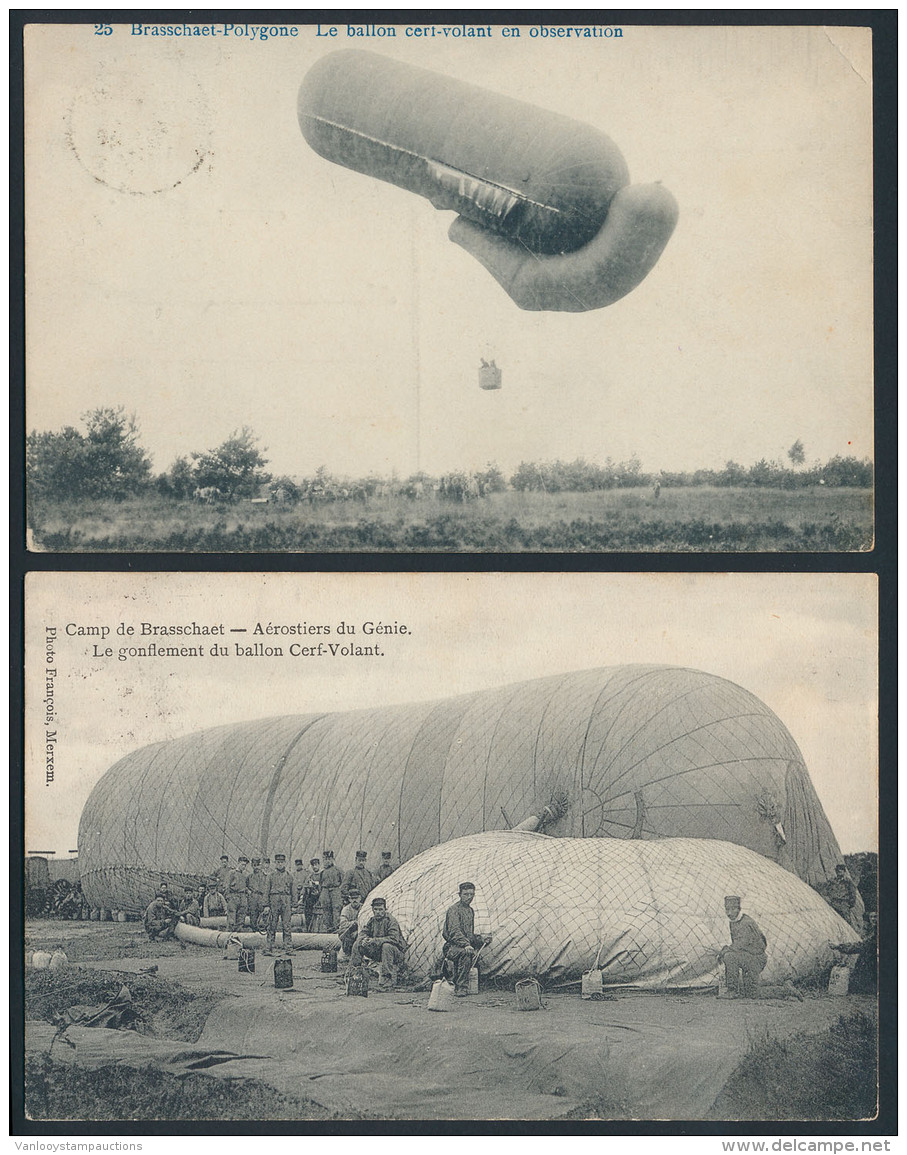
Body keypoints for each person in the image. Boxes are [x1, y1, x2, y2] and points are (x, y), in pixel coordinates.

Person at [442, 881, 492, 996]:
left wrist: (481, 940)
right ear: (459, 894)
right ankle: (461, 988)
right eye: (466, 894)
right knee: (466, 953)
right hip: (451, 947)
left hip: (464, 945)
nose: (469, 897)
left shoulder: (470, 911)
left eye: (471, 894)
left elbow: (469, 934)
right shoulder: (453, 910)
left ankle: (469, 985)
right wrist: (466, 944)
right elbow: (455, 932)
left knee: (473, 954)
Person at [350, 896, 408, 991]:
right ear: (372, 910)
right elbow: (363, 932)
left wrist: (374, 940)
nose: (378, 912)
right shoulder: (372, 921)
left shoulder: (391, 921)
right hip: (379, 952)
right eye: (376, 909)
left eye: (380, 909)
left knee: (387, 946)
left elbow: (394, 939)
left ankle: (387, 980)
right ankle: (354, 974)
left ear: (385, 909)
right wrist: (364, 939)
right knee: (357, 944)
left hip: (395, 954)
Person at [717, 895, 767, 998]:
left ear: (739, 909)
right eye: (727, 909)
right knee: (750, 992)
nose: (729, 913)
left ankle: (732, 990)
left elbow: (740, 945)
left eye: (733, 909)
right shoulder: (734, 921)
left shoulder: (745, 923)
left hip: (756, 958)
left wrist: (724, 951)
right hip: (747, 956)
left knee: (729, 956)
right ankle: (785, 989)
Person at [264, 853, 298, 954]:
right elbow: (266, 891)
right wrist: (266, 905)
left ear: (285, 863)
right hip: (273, 900)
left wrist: (294, 905)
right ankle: (268, 948)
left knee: (287, 925)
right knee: (272, 924)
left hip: (286, 900)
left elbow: (294, 891)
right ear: (275, 863)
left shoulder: (290, 876)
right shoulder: (271, 876)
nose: (280, 864)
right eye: (278, 862)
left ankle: (288, 948)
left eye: (282, 862)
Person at [320, 851, 344, 932]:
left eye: (329, 859)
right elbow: (320, 883)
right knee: (326, 910)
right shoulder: (322, 872)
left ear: (333, 859)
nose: (327, 861)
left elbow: (343, 882)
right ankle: (328, 928)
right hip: (325, 891)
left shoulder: (338, 870)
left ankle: (336, 928)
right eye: (325, 859)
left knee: (336, 909)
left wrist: (340, 892)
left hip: (335, 890)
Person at [226, 855, 251, 931]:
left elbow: (243, 886)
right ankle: (229, 935)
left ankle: (238, 935)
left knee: (241, 917)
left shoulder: (244, 876)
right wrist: (228, 897)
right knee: (231, 918)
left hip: (242, 897)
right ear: (238, 863)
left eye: (245, 865)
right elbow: (226, 885)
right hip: (233, 896)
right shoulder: (232, 873)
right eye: (242, 864)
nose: (244, 867)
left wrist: (247, 891)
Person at [337, 888, 363, 956]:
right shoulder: (346, 910)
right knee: (344, 933)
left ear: (360, 898)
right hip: (349, 931)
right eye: (352, 898)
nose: (354, 900)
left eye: (356, 898)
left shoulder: (363, 908)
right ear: (349, 899)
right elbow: (343, 924)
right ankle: (347, 954)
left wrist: (357, 931)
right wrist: (354, 923)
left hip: (361, 930)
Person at [248, 857, 269, 931]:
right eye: (254, 865)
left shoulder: (265, 876)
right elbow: (246, 886)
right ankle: (254, 933)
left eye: (257, 865)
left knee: (265, 916)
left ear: (260, 865)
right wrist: (248, 891)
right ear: (252, 866)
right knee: (253, 916)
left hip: (262, 897)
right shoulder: (249, 877)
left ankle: (266, 932)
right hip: (253, 898)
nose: (256, 867)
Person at [302, 857, 323, 931]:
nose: (314, 867)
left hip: (321, 896)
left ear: (319, 865)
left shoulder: (322, 874)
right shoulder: (310, 876)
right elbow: (305, 887)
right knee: (307, 909)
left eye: (316, 865)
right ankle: (308, 928)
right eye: (313, 865)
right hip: (312, 897)